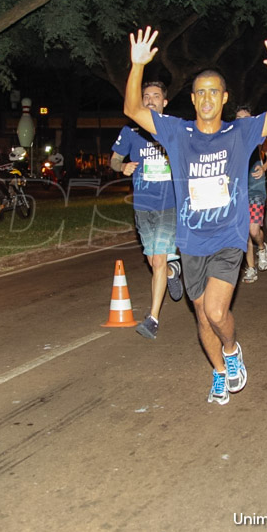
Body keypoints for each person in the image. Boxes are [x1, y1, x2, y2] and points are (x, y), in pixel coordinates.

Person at [123, 26, 267, 405]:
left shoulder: (241, 132)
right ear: (193, 97)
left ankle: (232, 352)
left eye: (213, 92)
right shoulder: (177, 132)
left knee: (217, 312)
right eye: (200, 92)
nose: (205, 98)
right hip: (191, 241)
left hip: (228, 238)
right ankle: (218, 371)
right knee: (202, 317)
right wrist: (136, 66)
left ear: (224, 97)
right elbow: (133, 109)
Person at [110, 81, 184, 340]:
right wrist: (122, 167)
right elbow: (115, 159)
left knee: (159, 260)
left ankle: (153, 318)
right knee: (155, 261)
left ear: (165, 102)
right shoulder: (130, 131)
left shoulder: (174, 128)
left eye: (156, 96)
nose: (150, 100)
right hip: (142, 204)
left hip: (168, 204)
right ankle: (174, 272)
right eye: (146, 96)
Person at [236, 105, 267, 284]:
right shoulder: (231, 137)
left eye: (246, 118)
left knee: (253, 229)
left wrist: (264, 167)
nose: (243, 121)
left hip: (256, 187)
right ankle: (251, 268)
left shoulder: (259, 136)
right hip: (238, 190)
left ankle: (261, 247)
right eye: (240, 118)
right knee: (244, 232)